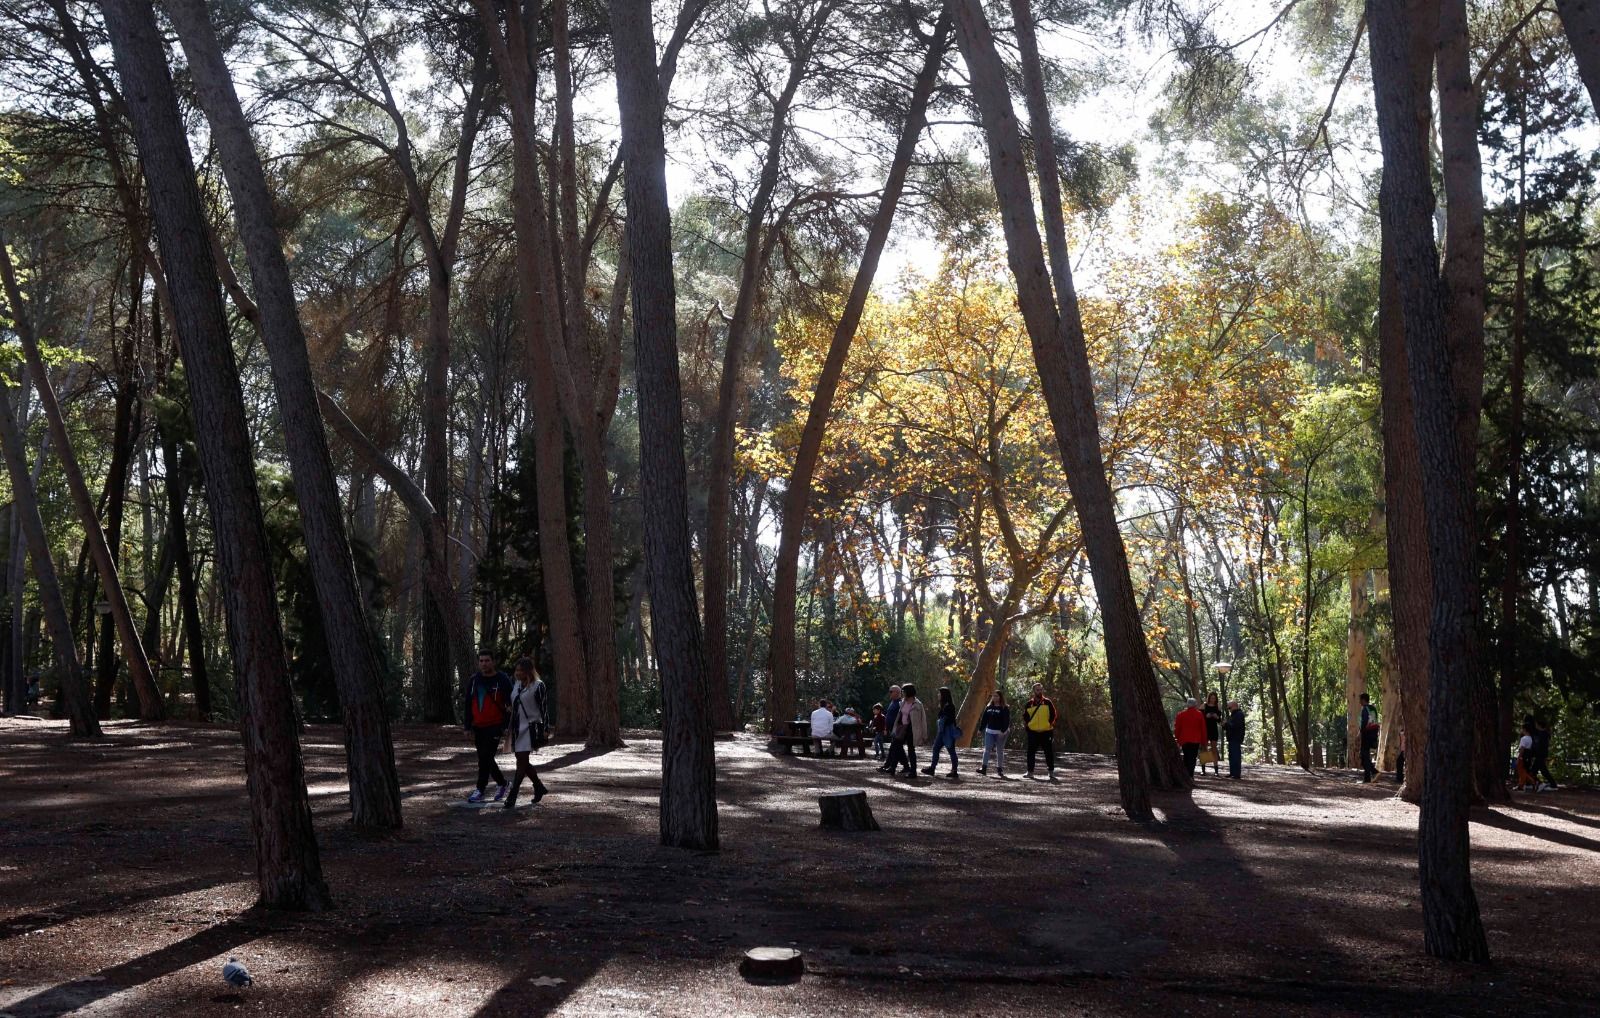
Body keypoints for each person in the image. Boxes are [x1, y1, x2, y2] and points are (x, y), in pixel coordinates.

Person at [464, 650, 513, 803]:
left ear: (493, 662)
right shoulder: (474, 680)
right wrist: (467, 726)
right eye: (481, 661)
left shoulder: (502, 679)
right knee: (484, 757)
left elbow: (510, 704)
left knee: (485, 757)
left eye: (487, 660)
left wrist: (506, 725)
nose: (484, 664)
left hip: (496, 725)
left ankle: (480, 789)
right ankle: (502, 783)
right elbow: (467, 704)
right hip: (478, 725)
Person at [504, 657, 549, 809]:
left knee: (521, 761)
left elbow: (544, 709)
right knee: (521, 760)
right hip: (517, 728)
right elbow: (514, 703)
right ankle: (539, 787)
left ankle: (513, 795)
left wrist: (546, 729)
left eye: (521, 671)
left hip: (531, 727)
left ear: (528, 671)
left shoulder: (538, 685)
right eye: (516, 670)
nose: (517, 673)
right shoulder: (516, 685)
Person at [923, 686, 960, 778]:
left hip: (947, 732)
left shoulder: (949, 706)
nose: (938, 695)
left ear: (944, 695)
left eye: (939, 693)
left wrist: (942, 721)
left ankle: (954, 771)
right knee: (936, 748)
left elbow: (950, 720)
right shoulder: (944, 705)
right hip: (942, 732)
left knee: (951, 750)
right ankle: (932, 768)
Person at [890, 683, 925, 779]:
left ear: (908, 692)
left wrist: (924, 734)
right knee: (896, 746)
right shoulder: (902, 702)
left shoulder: (918, 704)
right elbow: (899, 716)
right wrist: (895, 727)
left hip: (911, 729)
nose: (902, 693)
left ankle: (913, 772)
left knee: (911, 750)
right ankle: (892, 768)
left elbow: (923, 720)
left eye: (903, 691)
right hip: (902, 728)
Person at [1023, 683, 1058, 780]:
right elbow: (1025, 717)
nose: (1039, 691)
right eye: (1037, 690)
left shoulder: (1047, 702)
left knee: (1048, 752)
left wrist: (1049, 724)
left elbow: (1054, 714)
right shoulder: (1029, 704)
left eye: (1041, 689)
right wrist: (1029, 726)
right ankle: (1030, 772)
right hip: (1033, 732)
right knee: (1031, 752)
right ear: (1034, 691)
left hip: (1046, 732)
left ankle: (1051, 772)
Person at [979, 689, 1010, 777]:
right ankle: (983, 768)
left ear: (1000, 697)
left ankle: (999, 769)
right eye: (993, 696)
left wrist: (1003, 731)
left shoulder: (1004, 708)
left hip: (1000, 733)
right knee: (987, 749)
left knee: (999, 750)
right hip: (989, 732)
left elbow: (1007, 721)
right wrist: (980, 729)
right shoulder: (988, 707)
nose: (994, 697)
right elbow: (984, 719)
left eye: (996, 696)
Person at [1174, 697, 1207, 777]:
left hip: (1184, 739)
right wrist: (1204, 741)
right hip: (1195, 740)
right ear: (1195, 705)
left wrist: (1177, 737)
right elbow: (1203, 728)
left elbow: (1177, 727)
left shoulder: (1181, 714)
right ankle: (1191, 774)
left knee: (1186, 756)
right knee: (1193, 757)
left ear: (1187, 704)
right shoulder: (1199, 714)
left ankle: (1186, 774)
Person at [878, 686, 904, 772]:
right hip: (891, 729)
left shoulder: (900, 703)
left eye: (891, 691)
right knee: (898, 749)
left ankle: (889, 766)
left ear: (897, 692)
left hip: (897, 730)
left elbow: (901, 717)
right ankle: (906, 767)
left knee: (895, 748)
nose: (889, 693)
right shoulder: (892, 702)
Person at [1532, 715, 1559, 791]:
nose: (1535, 726)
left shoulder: (1542, 734)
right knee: (1538, 771)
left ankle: (1549, 784)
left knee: (1539, 771)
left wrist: (1537, 753)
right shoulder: (1544, 734)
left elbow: (1541, 745)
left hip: (1540, 755)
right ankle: (1537, 783)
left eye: (1536, 724)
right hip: (1541, 755)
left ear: (1539, 725)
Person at [1358, 693, 1380, 782]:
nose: (1359, 702)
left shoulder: (1364, 709)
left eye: (1360, 700)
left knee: (1364, 755)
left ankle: (1372, 774)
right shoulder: (1373, 708)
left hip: (1366, 734)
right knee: (1365, 756)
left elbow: (1364, 722)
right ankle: (1370, 775)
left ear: (1363, 700)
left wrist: (1360, 733)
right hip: (1373, 734)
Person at [1202, 692, 1224, 776]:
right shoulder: (1204, 705)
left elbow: (1219, 720)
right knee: (1204, 748)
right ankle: (1203, 770)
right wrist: (1205, 716)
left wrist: (1217, 717)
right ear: (1209, 698)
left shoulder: (1217, 706)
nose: (1212, 700)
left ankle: (1216, 771)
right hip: (1205, 729)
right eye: (1211, 698)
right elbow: (1200, 717)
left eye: (1214, 698)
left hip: (1213, 729)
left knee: (1214, 749)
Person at [1224, 700, 1246, 779]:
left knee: (1236, 756)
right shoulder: (1233, 715)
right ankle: (1232, 772)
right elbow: (1230, 726)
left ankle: (1236, 774)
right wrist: (1225, 725)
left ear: (1234, 706)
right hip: (1231, 738)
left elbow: (1236, 726)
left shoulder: (1239, 715)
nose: (1229, 709)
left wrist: (1227, 724)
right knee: (1232, 756)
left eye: (1229, 707)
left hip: (1236, 738)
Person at [1515, 722, 1538, 792]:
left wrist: (1518, 758)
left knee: (1522, 772)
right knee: (1523, 771)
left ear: (1524, 729)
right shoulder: (1531, 738)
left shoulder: (1524, 738)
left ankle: (1533, 782)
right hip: (1527, 757)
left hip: (1522, 757)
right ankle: (1521, 785)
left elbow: (1522, 749)